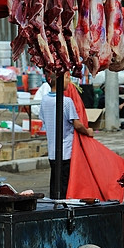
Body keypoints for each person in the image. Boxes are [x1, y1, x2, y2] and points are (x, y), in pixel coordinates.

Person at [38, 71, 93, 199]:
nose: (69, 81)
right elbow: (77, 124)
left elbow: (44, 118)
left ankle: (54, 207)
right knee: (64, 186)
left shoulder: (44, 100)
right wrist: (88, 131)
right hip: (66, 152)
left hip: (52, 151)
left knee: (54, 183)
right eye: (67, 78)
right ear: (59, 81)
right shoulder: (66, 102)